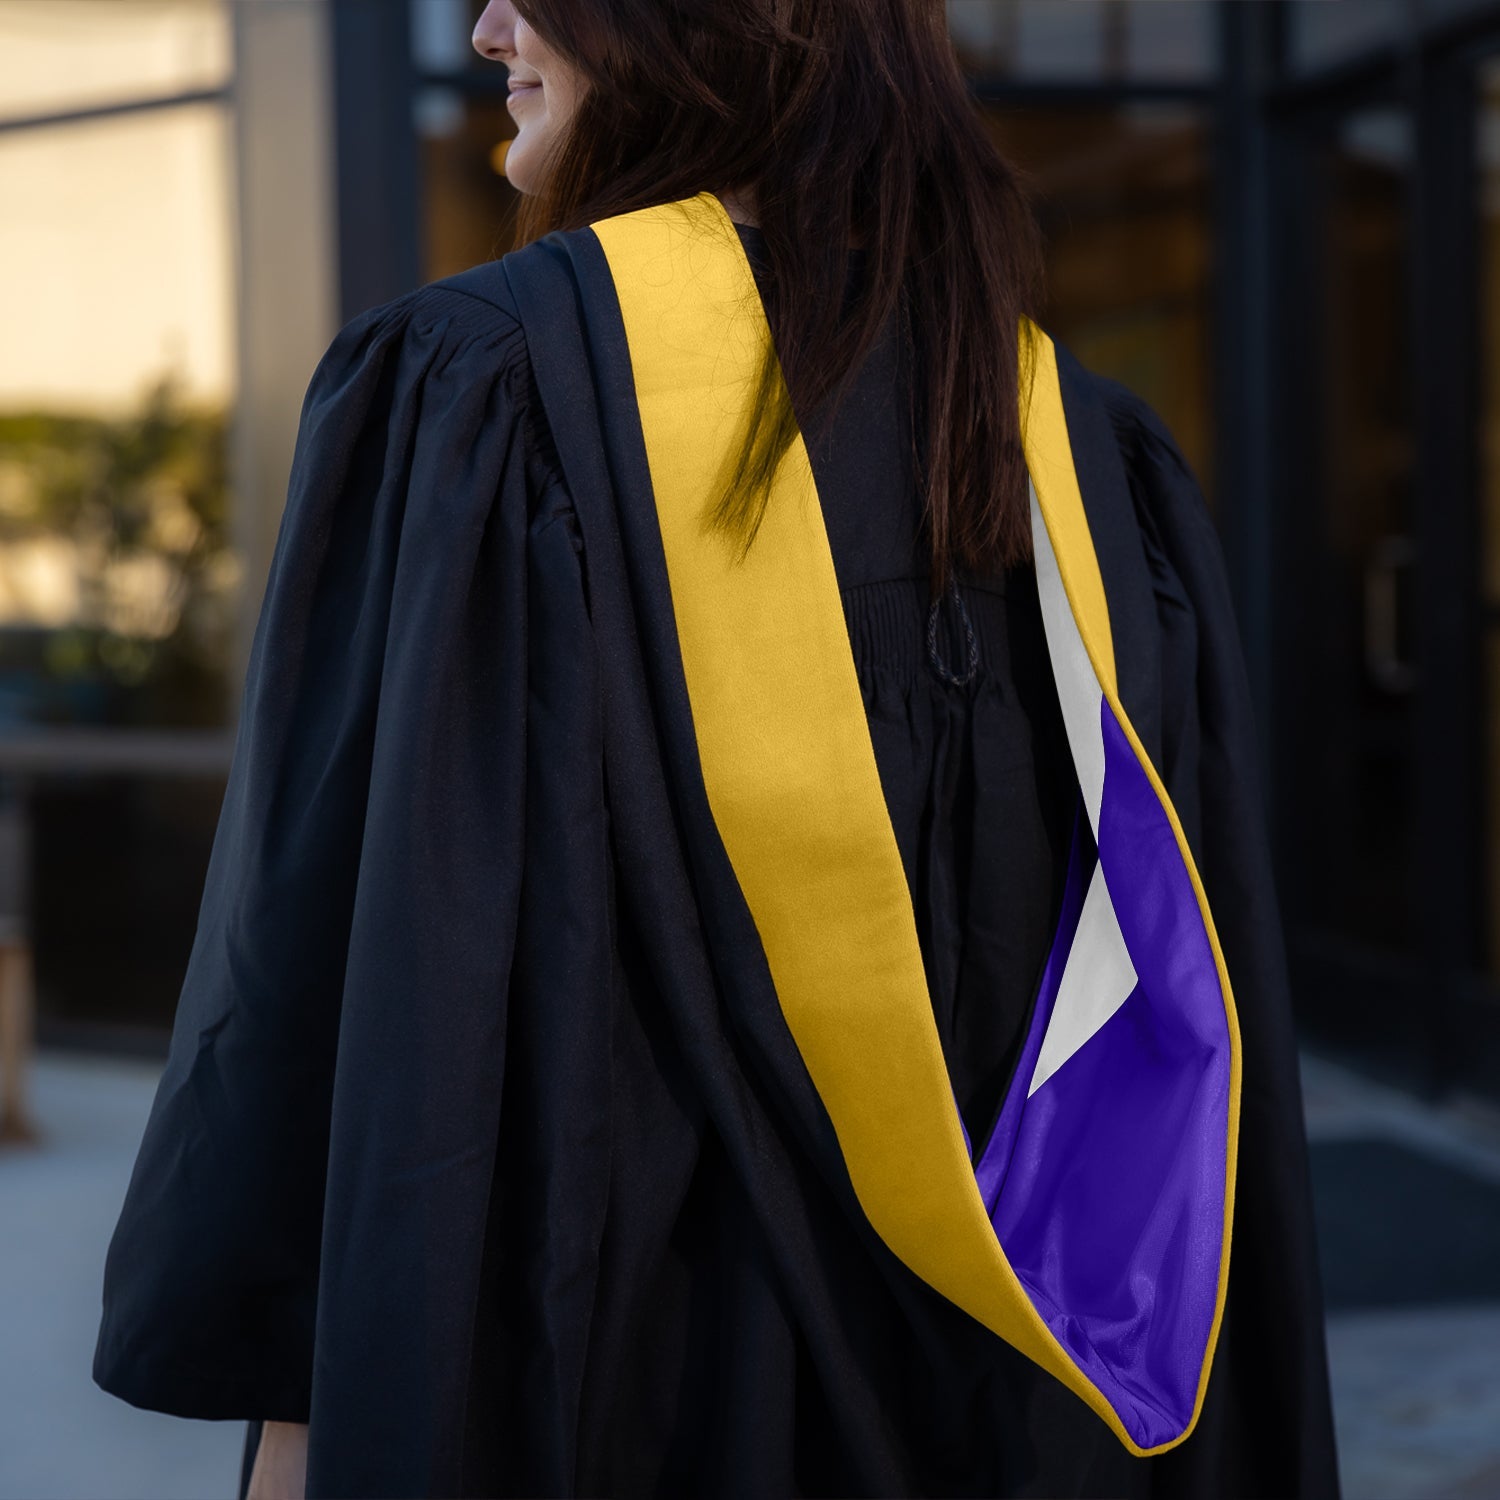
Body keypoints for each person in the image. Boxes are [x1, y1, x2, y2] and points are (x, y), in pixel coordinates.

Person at [92, 3, 1341, 1497]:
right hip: (1025, 1420)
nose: (489, 24)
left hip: (620, 1397)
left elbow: (328, 1013)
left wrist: (295, 1439)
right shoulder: (1079, 456)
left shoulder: (483, 396)